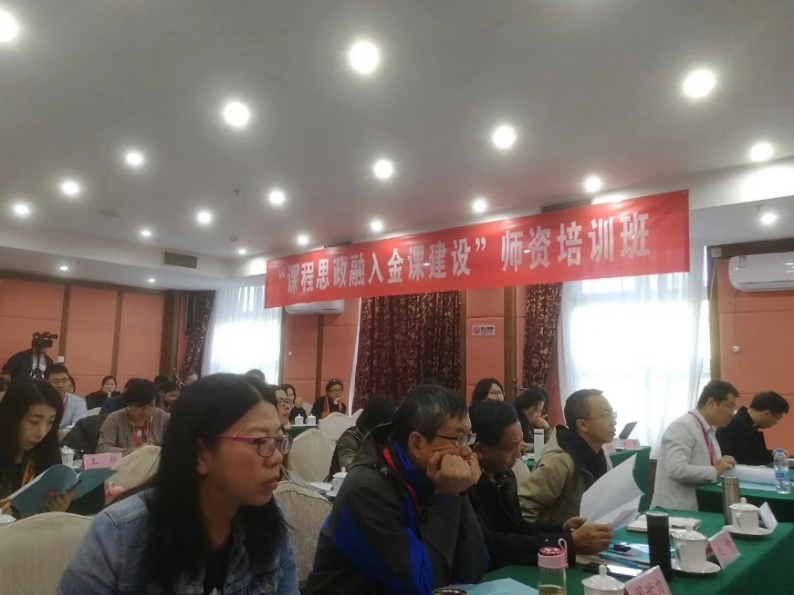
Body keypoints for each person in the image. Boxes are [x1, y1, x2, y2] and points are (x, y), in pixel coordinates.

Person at [58, 373, 298, 594]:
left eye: (278, 440)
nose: (276, 457)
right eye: (260, 441)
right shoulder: (119, 535)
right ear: (201, 454)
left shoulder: (270, 525)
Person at [306, 385, 488, 594]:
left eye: (468, 438)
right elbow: (421, 586)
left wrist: (458, 491)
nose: (467, 452)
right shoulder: (366, 491)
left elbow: (474, 569)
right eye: (458, 439)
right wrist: (448, 496)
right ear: (417, 444)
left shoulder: (436, 477)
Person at [468, 400, 613, 570]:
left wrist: (561, 529)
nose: (518, 454)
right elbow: (492, 545)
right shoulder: (464, 486)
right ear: (480, 450)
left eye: (519, 444)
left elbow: (518, 527)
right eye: (511, 447)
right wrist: (568, 542)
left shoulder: (503, 475)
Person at [519, 389, 616, 524]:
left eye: (612, 414)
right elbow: (523, 511)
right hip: (562, 537)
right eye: (606, 415)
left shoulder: (601, 452)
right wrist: (557, 534)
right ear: (582, 424)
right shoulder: (559, 461)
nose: (613, 422)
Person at [652, 380, 739, 511]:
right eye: (729, 406)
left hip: (697, 507)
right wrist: (715, 470)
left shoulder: (709, 430)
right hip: (674, 511)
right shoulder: (683, 426)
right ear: (711, 403)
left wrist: (722, 465)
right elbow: (676, 470)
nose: (732, 414)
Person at [0, 380, 77, 517]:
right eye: (34, 422)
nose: (42, 432)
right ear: (12, 418)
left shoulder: (46, 450)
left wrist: (59, 509)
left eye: (50, 422)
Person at [326, 396, 397, 479]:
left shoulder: (384, 440)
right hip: (340, 485)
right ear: (376, 422)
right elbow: (352, 471)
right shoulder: (349, 439)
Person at [97, 379, 170, 455]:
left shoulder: (162, 417)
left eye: (151, 405)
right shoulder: (115, 419)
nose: (146, 411)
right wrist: (133, 452)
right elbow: (102, 449)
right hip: (126, 462)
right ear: (129, 404)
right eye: (140, 406)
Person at [717, 391, 790, 466]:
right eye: (777, 419)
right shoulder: (733, 426)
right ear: (767, 414)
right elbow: (745, 459)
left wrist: (772, 454)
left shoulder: (748, 425)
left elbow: (753, 453)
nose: (776, 423)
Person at [45, 364, 87, 429]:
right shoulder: (39, 401)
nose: (60, 385)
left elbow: (78, 426)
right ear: (46, 382)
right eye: (55, 381)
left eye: (64, 381)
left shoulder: (78, 402)